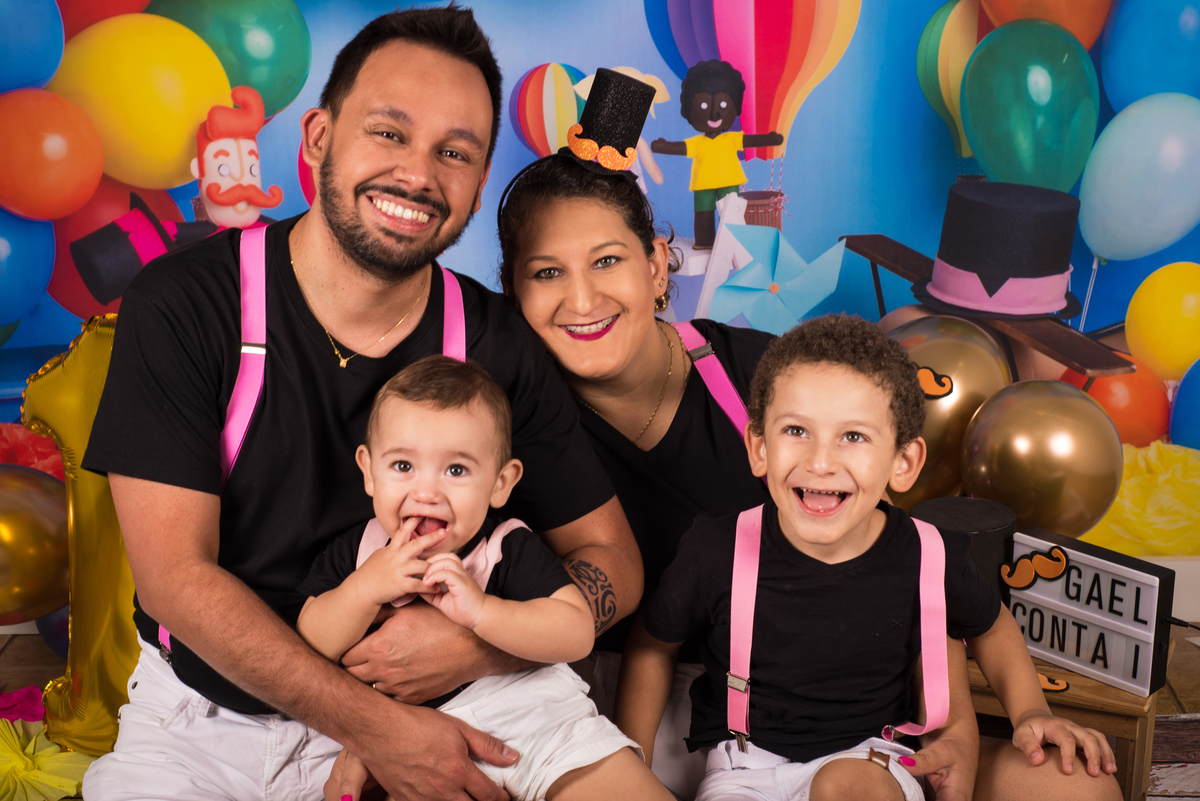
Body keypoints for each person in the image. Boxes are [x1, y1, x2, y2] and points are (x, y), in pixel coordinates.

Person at [80, 7, 643, 801]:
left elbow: (612, 559)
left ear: (479, 184)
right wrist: (375, 728)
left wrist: (476, 644)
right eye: (388, 132)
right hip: (211, 718)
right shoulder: (186, 302)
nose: (418, 174)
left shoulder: (495, 340)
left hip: (463, 691)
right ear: (318, 138)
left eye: (454, 152)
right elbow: (176, 579)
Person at [498, 154, 1122, 801]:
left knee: (1074, 787)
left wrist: (956, 721)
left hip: (849, 726)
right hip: (652, 717)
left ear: (656, 264)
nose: (582, 299)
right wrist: (625, 753)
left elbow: (909, 576)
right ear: (513, 291)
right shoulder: (500, 420)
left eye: (606, 260)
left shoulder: (781, 380)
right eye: (547, 272)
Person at [615, 314, 1116, 801]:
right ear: (758, 448)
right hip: (745, 768)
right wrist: (632, 765)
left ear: (903, 462)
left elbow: (991, 625)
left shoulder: (926, 552)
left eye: (853, 436)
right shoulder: (716, 549)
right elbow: (651, 647)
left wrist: (1029, 712)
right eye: (796, 431)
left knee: (847, 785)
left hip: (870, 761)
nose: (820, 461)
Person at [296, 355, 671, 801]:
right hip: (418, 743)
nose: (426, 492)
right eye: (402, 466)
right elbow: (310, 640)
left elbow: (576, 633)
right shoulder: (360, 551)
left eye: (456, 470)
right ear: (369, 471)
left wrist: (483, 612)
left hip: (539, 722)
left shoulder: (504, 546)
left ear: (500, 483)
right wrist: (363, 589)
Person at [648, 60, 782, 248]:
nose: (714, 114)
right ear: (689, 111)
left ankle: (733, 244)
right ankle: (705, 242)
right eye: (703, 106)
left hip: (729, 182)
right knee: (703, 214)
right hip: (703, 185)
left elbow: (751, 140)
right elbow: (679, 147)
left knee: (732, 214)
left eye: (723, 104)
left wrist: (770, 139)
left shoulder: (731, 139)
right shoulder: (698, 143)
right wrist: (663, 146)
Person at [190, 85, 284, 229]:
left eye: (253, 169)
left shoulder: (269, 228)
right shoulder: (204, 235)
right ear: (198, 169)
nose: (243, 186)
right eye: (223, 169)